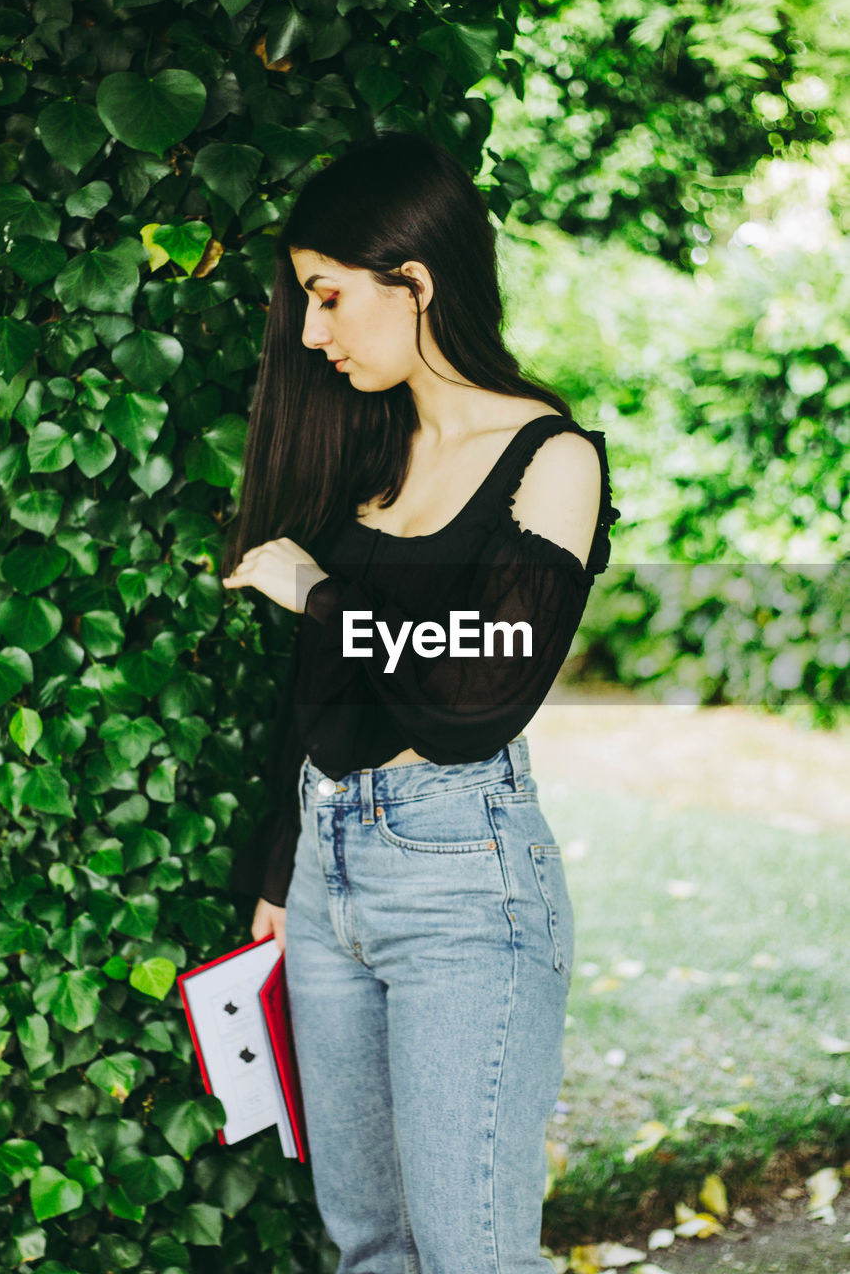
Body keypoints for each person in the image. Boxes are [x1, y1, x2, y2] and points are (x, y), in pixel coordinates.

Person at [221, 130, 620, 1274]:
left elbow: (476, 692)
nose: (312, 332)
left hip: (463, 884)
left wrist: (319, 592)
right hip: (326, 875)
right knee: (371, 1247)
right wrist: (279, 873)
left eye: (329, 296)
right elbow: (321, 703)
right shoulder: (370, 455)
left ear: (416, 281)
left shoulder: (552, 461)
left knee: (470, 1255)